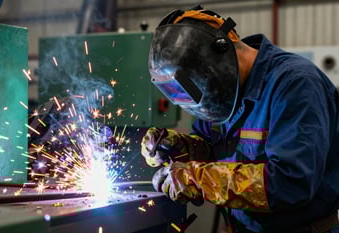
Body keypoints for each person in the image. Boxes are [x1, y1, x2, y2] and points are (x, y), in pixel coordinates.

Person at [140, 5, 339, 233]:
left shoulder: (295, 84)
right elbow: (212, 148)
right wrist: (178, 148)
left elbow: (291, 184)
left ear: (222, 51)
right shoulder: (221, 96)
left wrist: (197, 178)